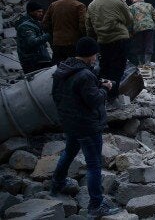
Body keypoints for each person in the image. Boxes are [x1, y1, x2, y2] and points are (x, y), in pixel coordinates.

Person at [50, 37, 120, 217]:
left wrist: (98, 84)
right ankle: (96, 205)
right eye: (96, 55)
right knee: (94, 164)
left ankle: (57, 183)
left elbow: (60, 95)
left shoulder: (63, 69)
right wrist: (106, 89)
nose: (97, 58)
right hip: (87, 125)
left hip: (70, 122)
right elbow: (94, 99)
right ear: (90, 56)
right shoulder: (85, 75)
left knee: (69, 152)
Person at [86, 0, 133, 101]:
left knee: (104, 68)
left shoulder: (92, 4)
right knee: (117, 69)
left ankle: (103, 95)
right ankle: (113, 97)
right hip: (120, 39)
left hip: (102, 41)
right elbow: (129, 20)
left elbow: (89, 27)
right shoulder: (119, 1)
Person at [43, 0, 87, 64]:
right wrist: (85, 38)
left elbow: (45, 23)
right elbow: (83, 25)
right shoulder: (79, 6)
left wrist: (54, 35)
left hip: (57, 43)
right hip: (73, 44)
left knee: (57, 68)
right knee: (73, 68)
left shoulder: (54, 5)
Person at [16, 2, 52, 73]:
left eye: (42, 12)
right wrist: (50, 34)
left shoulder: (36, 23)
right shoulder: (25, 26)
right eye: (38, 12)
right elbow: (33, 42)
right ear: (31, 12)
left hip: (40, 60)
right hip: (33, 62)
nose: (41, 14)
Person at [129, 0, 155, 66]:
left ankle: (140, 63)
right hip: (149, 27)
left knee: (139, 45)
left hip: (138, 28)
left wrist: (130, 31)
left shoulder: (131, 8)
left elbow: (129, 20)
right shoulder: (149, 5)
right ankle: (147, 63)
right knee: (149, 44)